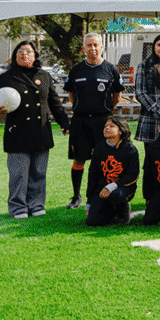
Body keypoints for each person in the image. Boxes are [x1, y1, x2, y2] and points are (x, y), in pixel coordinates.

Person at [0, 41, 70, 219]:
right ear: (15, 56)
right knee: (19, 175)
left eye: (29, 51)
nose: (25, 54)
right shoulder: (7, 77)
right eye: (21, 51)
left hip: (41, 131)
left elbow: (54, 102)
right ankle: (18, 208)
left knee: (39, 173)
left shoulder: (44, 76)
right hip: (17, 133)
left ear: (35, 56)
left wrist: (64, 123)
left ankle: (36, 204)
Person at [63, 33, 125, 210]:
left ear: (102, 47)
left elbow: (117, 95)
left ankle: (100, 193)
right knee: (79, 159)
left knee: (104, 158)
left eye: (96, 45)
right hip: (80, 121)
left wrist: (105, 110)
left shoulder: (111, 69)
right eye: (89, 45)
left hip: (103, 121)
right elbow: (71, 94)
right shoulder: (76, 69)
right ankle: (76, 196)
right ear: (83, 48)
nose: (93, 49)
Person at [85, 116, 140, 227]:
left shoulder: (130, 149)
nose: (107, 128)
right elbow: (93, 175)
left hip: (123, 188)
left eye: (111, 126)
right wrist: (89, 203)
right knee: (93, 221)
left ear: (120, 130)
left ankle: (123, 212)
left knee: (117, 195)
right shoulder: (99, 148)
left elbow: (133, 175)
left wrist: (112, 186)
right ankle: (111, 210)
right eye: (105, 126)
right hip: (102, 189)